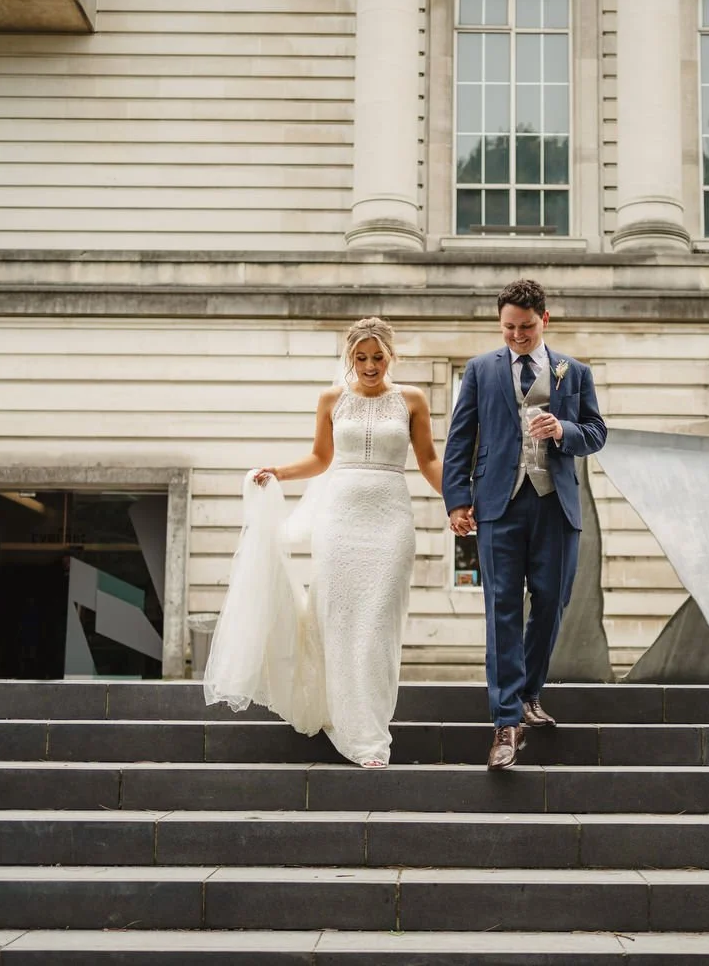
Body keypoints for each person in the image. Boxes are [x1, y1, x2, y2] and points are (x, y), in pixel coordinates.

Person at [204, 317, 442, 768]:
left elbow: (429, 460)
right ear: (349, 358)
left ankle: (369, 732)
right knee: (338, 622)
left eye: (377, 357)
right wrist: (278, 472)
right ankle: (342, 718)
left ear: (391, 355)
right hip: (340, 522)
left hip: (390, 521)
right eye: (360, 358)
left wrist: (460, 500)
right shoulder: (332, 399)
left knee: (376, 627)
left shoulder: (412, 399)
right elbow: (321, 458)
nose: (370, 366)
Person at [442, 279, 607, 770]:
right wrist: (457, 499)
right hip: (499, 504)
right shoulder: (479, 370)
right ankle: (506, 722)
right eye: (509, 327)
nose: (517, 335)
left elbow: (597, 432)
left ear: (545, 321)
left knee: (552, 603)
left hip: (555, 504)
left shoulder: (573, 372)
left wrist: (564, 430)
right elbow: (460, 437)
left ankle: (529, 692)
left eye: (527, 327)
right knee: (502, 609)